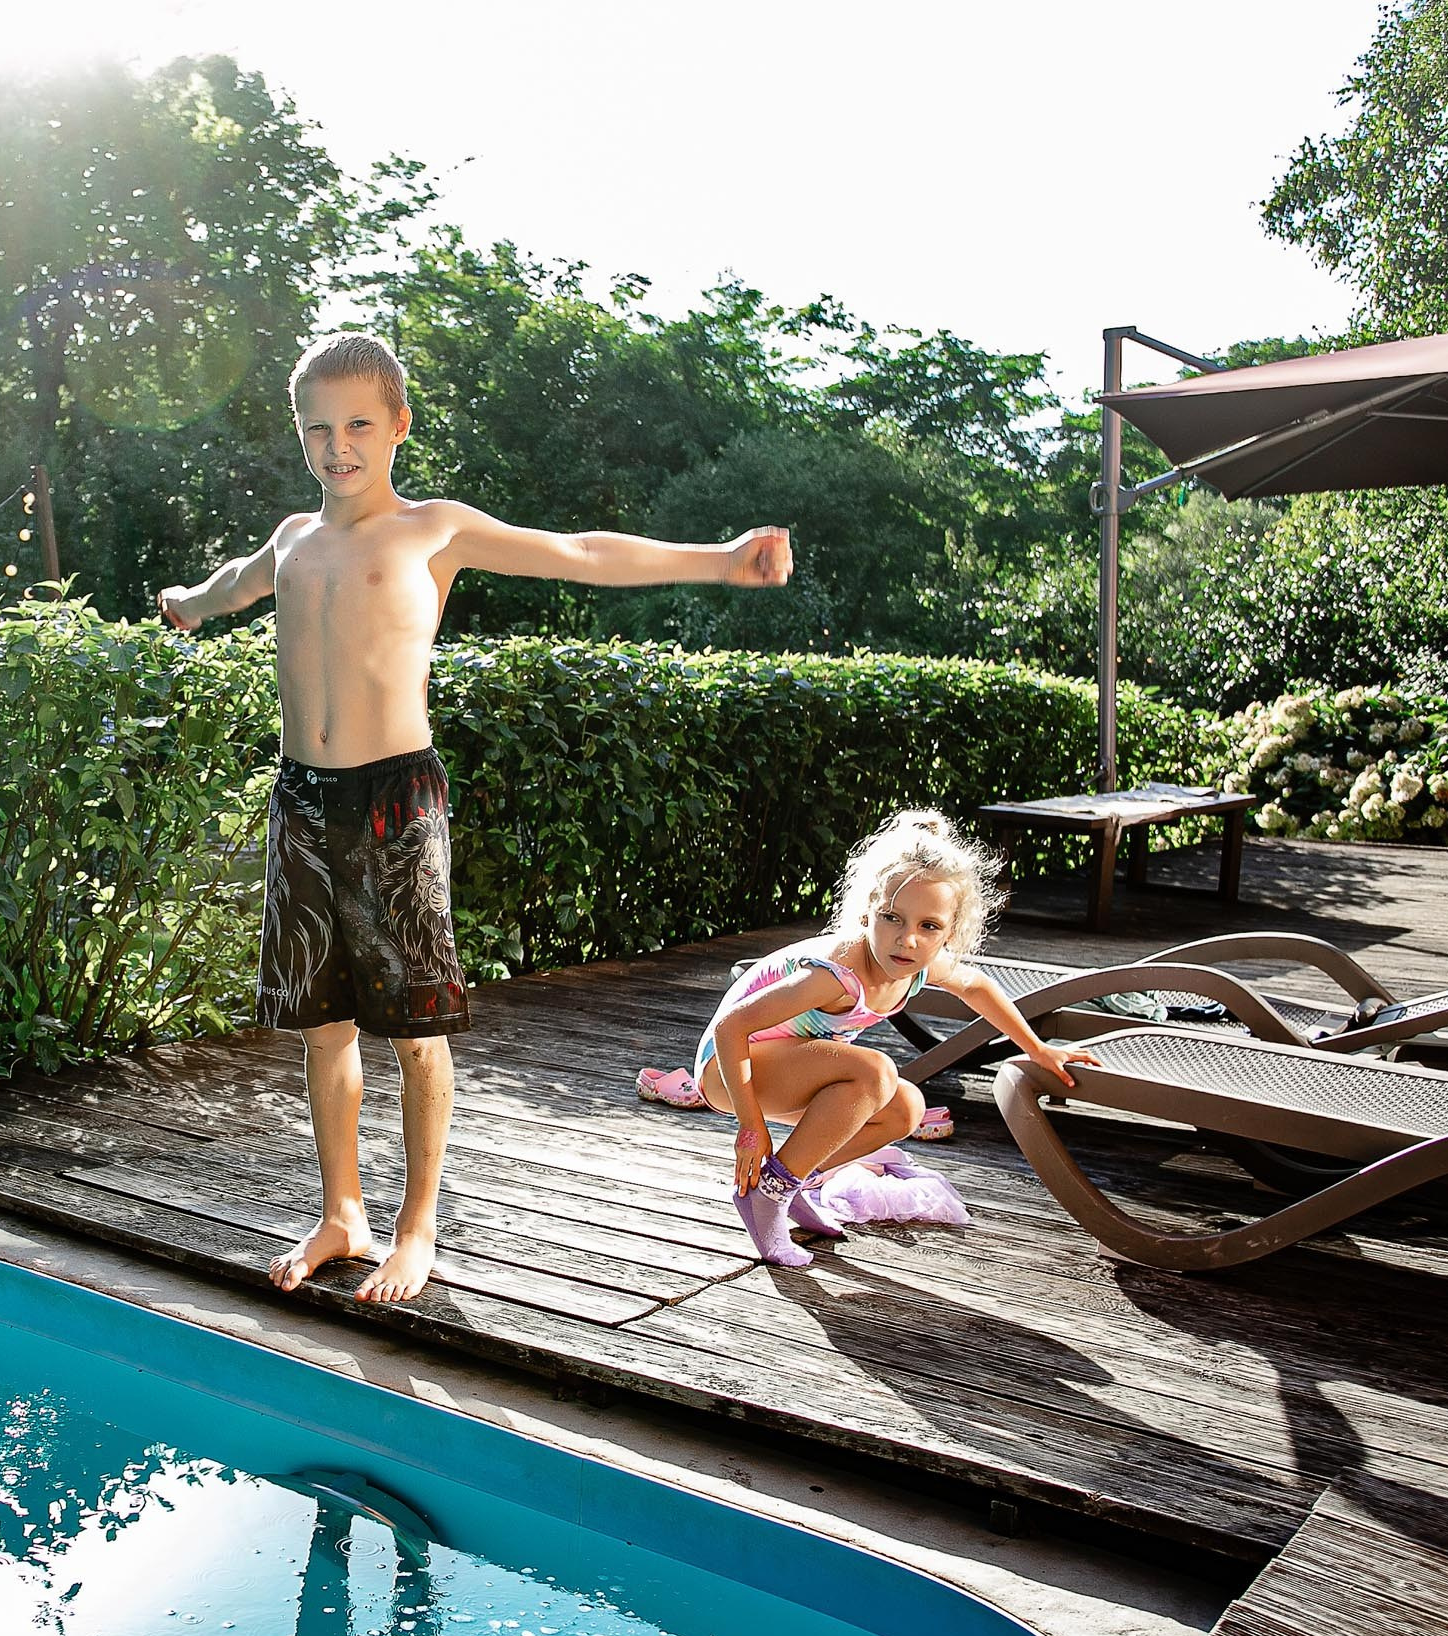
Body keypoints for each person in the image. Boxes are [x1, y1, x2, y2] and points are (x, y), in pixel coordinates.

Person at [156, 331, 793, 1303]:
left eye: (359, 423)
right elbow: (234, 584)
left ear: (399, 426)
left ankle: (417, 1226)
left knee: (414, 1031)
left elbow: (579, 553)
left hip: (393, 802)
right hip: (302, 801)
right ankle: (342, 1210)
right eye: (318, 427)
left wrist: (718, 560)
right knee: (322, 1027)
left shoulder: (431, 530)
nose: (339, 445)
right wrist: (189, 604)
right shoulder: (292, 538)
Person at [696, 809, 1094, 1267]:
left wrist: (1038, 1049)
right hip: (728, 1070)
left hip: (785, 1067)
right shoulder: (835, 975)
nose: (907, 940)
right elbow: (731, 1027)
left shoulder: (923, 962)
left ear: (950, 930)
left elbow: (977, 986)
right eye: (892, 918)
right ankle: (766, 1196)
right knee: (876, 1071)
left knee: (907, 1108)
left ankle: (794, 1182)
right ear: (868, 911)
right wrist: (751, 1129)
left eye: (929, 927)